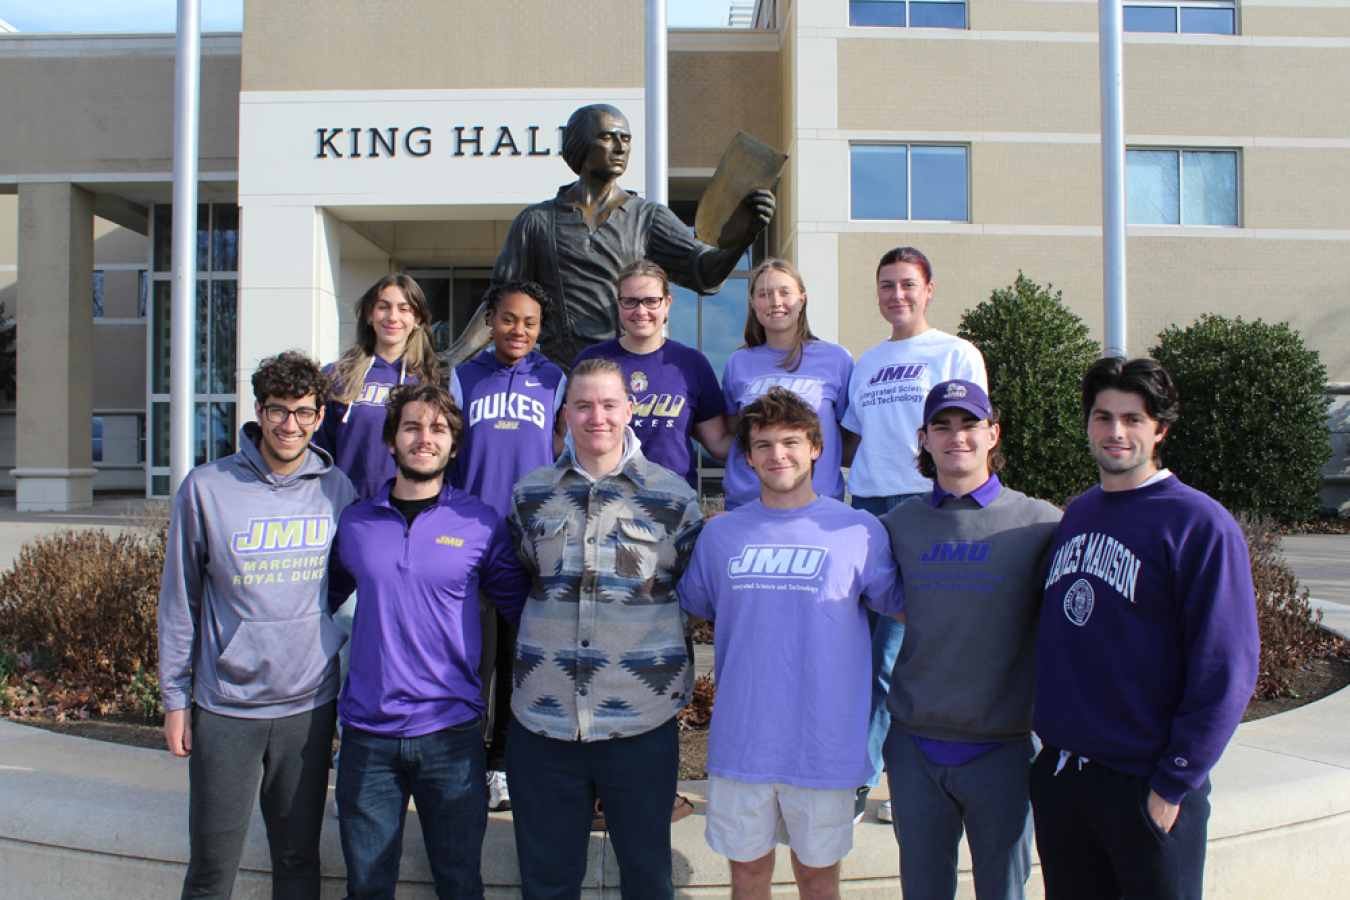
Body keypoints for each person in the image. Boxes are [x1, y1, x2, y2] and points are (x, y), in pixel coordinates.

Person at [1031, 357, 1260, 900]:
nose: (1115, 432)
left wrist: (1174, 781)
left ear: (1160, 429)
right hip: (1064, 776)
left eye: (1133, 419)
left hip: (1144, 782)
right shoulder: (1080, 514)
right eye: (1103, 416)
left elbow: (1227, 666)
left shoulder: (1199, 524)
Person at [678, 387, 904, 900]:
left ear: (816, 448)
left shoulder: (860, 530)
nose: (777, 455)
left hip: (824, 747)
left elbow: (908, 609)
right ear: (747, 456)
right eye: (762, 445)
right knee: (748, 879)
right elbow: (690, 614)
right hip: (743, 742)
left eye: (790, 442)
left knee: (819, 882)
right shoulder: (722, 536)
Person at [158, 350, 357, 900]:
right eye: (278, 411)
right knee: (211, 869)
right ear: (259, 411)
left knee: (297, 863)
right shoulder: (206, 488)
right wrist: (175, 699)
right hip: (226, 707)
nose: (289, 425)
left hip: (308, 707)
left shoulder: (336, 489)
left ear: (319, 416)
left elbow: (348, 585)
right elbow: (180, 601)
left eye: (303, 412)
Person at [506, 357, 704, 900]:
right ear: (565, 412)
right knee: (546, 885)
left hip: (639, 723)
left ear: (629, 410)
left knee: (646, 880)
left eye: (609, 404)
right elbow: (525, 575)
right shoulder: (530, 494)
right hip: (543, 721)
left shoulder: (674, 499)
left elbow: (690, 590)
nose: (597, 417)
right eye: (584, 405)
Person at [327, 383, 531, 899]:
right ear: (391, 440)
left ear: (454, 447)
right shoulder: (354, 523)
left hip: (453, 735)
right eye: (413, 427)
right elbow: (313, 604)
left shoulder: (480, 523)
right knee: (367, 887)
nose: (425, 438)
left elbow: (527, 612)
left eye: (438, 429)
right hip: (367, 736)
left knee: (460, 884)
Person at [878, 380, 1061, 900]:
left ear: (993, 434)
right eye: (943, 426)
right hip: (914, 746)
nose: (956, 436)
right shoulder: (896, 526)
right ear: (924, 439)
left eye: (969, 424)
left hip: (1001, 748)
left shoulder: (1042, 524)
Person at [839, 247, 988, 821]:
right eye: (885, 286)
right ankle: (865, 774)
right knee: (872, 652)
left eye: (907, 284)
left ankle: (912, 781)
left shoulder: (955, 352)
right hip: (872, 510)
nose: (895, 295)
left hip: (931, 506)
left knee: (919, 649)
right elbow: (851, 442)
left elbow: (971, 433)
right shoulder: (867, 362)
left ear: (929, 289)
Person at [488, 103, 775, 366]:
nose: (620, 148)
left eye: (625, 139)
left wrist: (745, 236)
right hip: (562, 377)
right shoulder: (536, 221)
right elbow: (498, 302)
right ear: (580, 144)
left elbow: (705, 272)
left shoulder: (648, 217)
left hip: (627, 375)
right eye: (607, 137)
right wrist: (454, 357)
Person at [448, 279, 567, 812]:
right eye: (508, 319)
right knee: (475, 659)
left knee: (520, 664)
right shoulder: (463, 376)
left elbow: (565, 454)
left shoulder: (554, 378)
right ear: (490, 320)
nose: (518, 330)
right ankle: (463, 761)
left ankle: (503, 765)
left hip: (531, 544)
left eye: (530, 322)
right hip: (473, 542)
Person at [573, 259, 732, 488]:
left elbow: (718, 443)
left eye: (651, 301)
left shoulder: (691, 364)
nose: (641, 311)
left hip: (673, 504)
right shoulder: (592, 361)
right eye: (630, 301)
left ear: (667, 303)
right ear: (618, 304)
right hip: (605, 501)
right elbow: (567, 436)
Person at [719, 258, 853, 511]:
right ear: (753, 303)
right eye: (764, 294)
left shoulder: (837, 359)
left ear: (802, 300)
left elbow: (848, 437)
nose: (775, 302)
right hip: (746, 505)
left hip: (816, 506)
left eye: (785, 292)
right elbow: (736, 436)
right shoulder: (737, 362)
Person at [313, 273, 443, 500]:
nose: (393, 317)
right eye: (383, 307)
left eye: (404, 309)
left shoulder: (433, 381)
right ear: (369, 315)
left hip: (411, 507)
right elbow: (319, 450)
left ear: (418, 319)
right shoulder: (337, 376)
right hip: (345, 505)